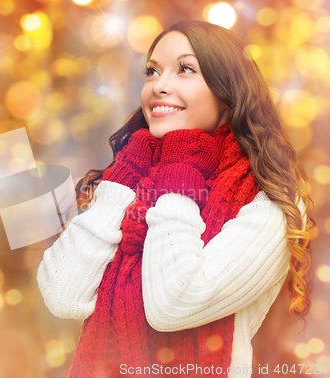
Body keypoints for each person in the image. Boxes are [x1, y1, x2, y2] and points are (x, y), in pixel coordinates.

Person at [36, 20, 314, 378]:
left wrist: (180, 169)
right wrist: (123, 177)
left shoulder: (270, 201)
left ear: (228, 95)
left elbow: (173, 304)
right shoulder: (131, 177)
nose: (159, 86)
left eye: (185, 69)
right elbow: (63, 294)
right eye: (152, 71)